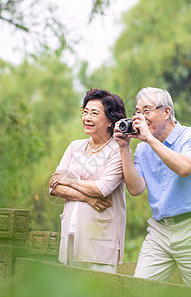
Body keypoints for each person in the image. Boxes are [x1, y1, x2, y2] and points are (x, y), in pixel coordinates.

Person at [113, 87, 191, 289]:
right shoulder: (142, 148)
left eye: (147, 111)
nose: (140, 117)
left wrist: (150, 139)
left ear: (166, 112)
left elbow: (184, 168)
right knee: (139, 289)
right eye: (137, 112)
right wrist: (124, 148)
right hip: (160, 230)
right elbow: (135, 189)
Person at [49, 88, 127, 273]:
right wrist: (87, 198)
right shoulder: (75, 146)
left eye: (94, 113)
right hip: (71, 237)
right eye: (85, 112)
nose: (87, 117)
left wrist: (68, 180)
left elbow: (101, 189)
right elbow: (54, 187)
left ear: (110, 121)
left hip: (101, 242)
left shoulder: (118, 150)